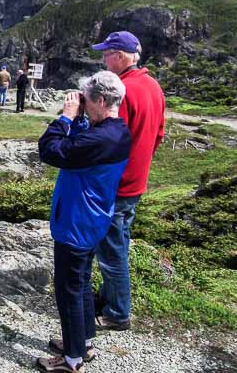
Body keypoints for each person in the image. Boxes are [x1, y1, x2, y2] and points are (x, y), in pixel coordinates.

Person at [37, 71, 131, 373]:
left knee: (69, 290)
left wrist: (65, 117)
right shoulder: (117, 132)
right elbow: (82, 142)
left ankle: (72, 359)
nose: (83, 106)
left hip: (76, 222)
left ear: (101, 101)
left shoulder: (99, 138)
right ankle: (85, 341)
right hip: (93, 218)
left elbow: (50, 150)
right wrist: (80, 119)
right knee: (82, 283)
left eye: (87, 101)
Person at [90, 31, 166, 330]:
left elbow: (108, 139)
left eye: (107, 53)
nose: (103, 59)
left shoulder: (121, 90)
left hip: (116, 183)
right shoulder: (152, 86)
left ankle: (117, 313)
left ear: (120, 56)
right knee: (116, 241)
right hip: (135, 180)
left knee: (112, 251)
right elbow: (158, 134)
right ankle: (109, 297)